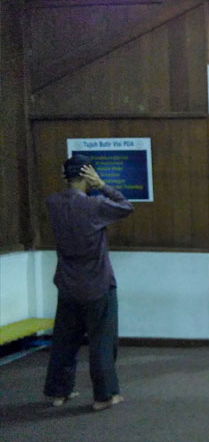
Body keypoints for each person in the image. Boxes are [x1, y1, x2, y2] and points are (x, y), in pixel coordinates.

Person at [43, 154, 134, 412]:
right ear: (88, 175)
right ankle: (105, 396)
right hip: (97, 285)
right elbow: (126, 206)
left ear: (65, 175)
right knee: (102, 342)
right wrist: (102, 185)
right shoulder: (95, 205)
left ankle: (59, 392)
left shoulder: (53, 203)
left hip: (67, 285)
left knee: (64, 341)